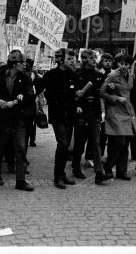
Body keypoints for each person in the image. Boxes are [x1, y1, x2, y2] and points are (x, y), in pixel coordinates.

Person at [0, 50, 36, 192]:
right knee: (0, 148)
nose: (24, 65)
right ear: (14, 63)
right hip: (1, 118)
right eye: (21, 62)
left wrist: (15, 101)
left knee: (20, 149)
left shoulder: (26, 78)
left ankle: (20, 181)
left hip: (18, 118)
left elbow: (30, 95)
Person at [42, 48, 80, 189]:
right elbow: (41, 90)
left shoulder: (73, 75)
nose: (73, 61)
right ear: (61, 60)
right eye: (70, 59)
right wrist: (53, 101)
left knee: (66, 145)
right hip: (57, 115)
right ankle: (57, 177)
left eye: (74, 58)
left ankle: (62, 173)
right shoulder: (51, 74)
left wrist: (77, 95)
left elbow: (75, 94)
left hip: (69, 115)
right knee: (63, 143)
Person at [100, 53, 136, 180]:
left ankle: (122, 171)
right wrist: (116, 98)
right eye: (121, 63)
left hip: (127, 111)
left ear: (130, 66)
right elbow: (102, 92)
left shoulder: (131, 76)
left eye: (126, 64)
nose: (123, 66)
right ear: (117, 63)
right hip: (115, 111)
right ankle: (108, 167)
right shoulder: (112, 75)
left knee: (125, 142)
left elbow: (131, 92)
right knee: (117, 141)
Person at [73, 49, 109, 185]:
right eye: (92, 58)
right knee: (80, 141)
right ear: (84, 59)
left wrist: (109, 86)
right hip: (81, 112)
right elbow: (72, 94)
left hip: (94, 112)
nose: (95, 60)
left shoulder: (98, 75)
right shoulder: (77, 74)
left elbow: (102, 92)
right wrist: (76, 95)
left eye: (95, 58)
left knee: (95, 142)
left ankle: (99, 173)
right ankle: (76, 167)